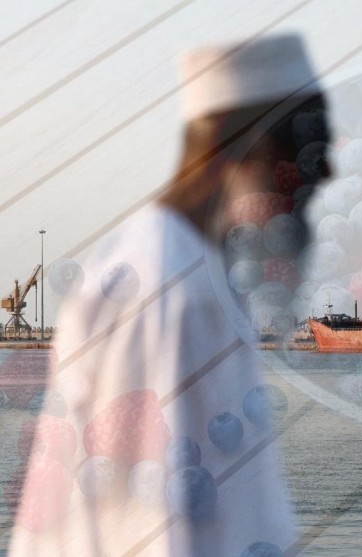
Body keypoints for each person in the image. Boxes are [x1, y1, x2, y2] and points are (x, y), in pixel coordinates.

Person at [10, 34, 330, 556]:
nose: (325, 173)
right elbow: (159, 516)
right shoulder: (170, 289)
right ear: (242, 143)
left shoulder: (182, 268)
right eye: (304, 150)